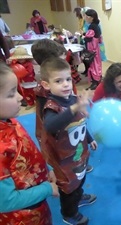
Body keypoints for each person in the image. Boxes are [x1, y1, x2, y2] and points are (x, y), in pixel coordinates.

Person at [39, 57, 98, 224]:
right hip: (63, 159)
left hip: (78, 152)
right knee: (67, 187)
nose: (65, 84)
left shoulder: (73, 100)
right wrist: (74, 108)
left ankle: (78, 197)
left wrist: (89, 138)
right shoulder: (51, 107)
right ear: (46, 85)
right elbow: (50, 126)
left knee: (80, 179)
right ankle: (68, 213)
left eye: (67, 79)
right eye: (58, 81)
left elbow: (79, 122)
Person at [0, 62, 59, 225]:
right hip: (21, 217)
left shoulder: (10, 120)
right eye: (11, 94)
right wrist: (47, 188)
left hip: (36, 205)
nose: (20, 97)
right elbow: (6, 201)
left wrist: (48, 170)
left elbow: (29, 153)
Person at [9, 46, 37, 110]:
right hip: (22, 82)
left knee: (33, 93)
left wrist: (21, 72)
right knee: (26, 94)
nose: (20, 60)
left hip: (30, 82)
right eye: (19, 59)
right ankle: (31, 103)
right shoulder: (16, 64)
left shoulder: (29, 64)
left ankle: (38, 103)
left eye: (22, 58)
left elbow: (29, 72)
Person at [83, 9, 102, 90]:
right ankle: (98, 80)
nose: (85, 18)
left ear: (92, 17)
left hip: (92, 49)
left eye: (87, 16)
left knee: (94, 66)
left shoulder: (92, 26)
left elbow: (88, 38)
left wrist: (83, 36)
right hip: (96, 49)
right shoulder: (96, 25)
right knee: (97, 64)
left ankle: (95, 82)